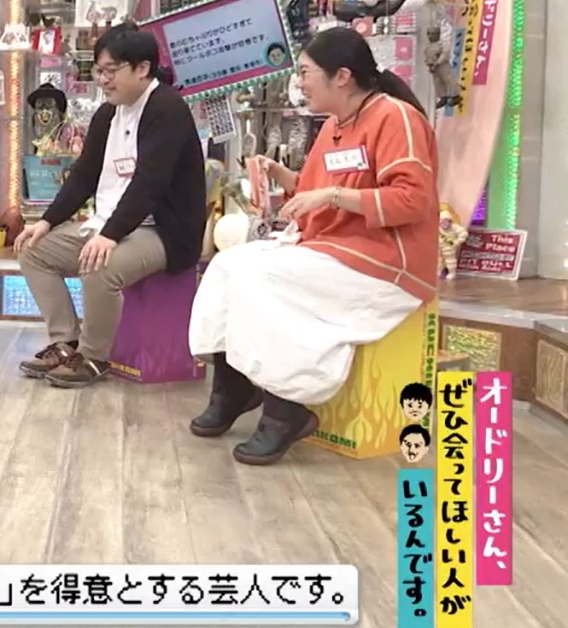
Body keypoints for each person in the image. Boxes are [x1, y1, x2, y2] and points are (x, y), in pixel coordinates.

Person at [188, 27, 438, 465]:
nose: (299, 83)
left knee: (264, 278)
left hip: (383, 264)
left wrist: (332, 196)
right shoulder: (334, 127)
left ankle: (284, 413)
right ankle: (233, 388)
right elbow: (314, 189)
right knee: (227, 266)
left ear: (341, 76)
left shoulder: (396, 118)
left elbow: (411, 200)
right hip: (332, 249)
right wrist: (281, 176)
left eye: (305, 73)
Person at [13, 23, 206, 387]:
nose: (102, 80)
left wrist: (110, 235)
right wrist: (46, 222)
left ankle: (94, 357)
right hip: (110, 223)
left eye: (111, 71)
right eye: (99, 71)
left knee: (99, 266)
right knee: (33, 251)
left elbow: (150, 183)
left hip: (163, 231)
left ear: (142, 68)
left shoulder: (167, 109)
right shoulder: (107, 114)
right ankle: (65, 343)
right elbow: (84, 176)